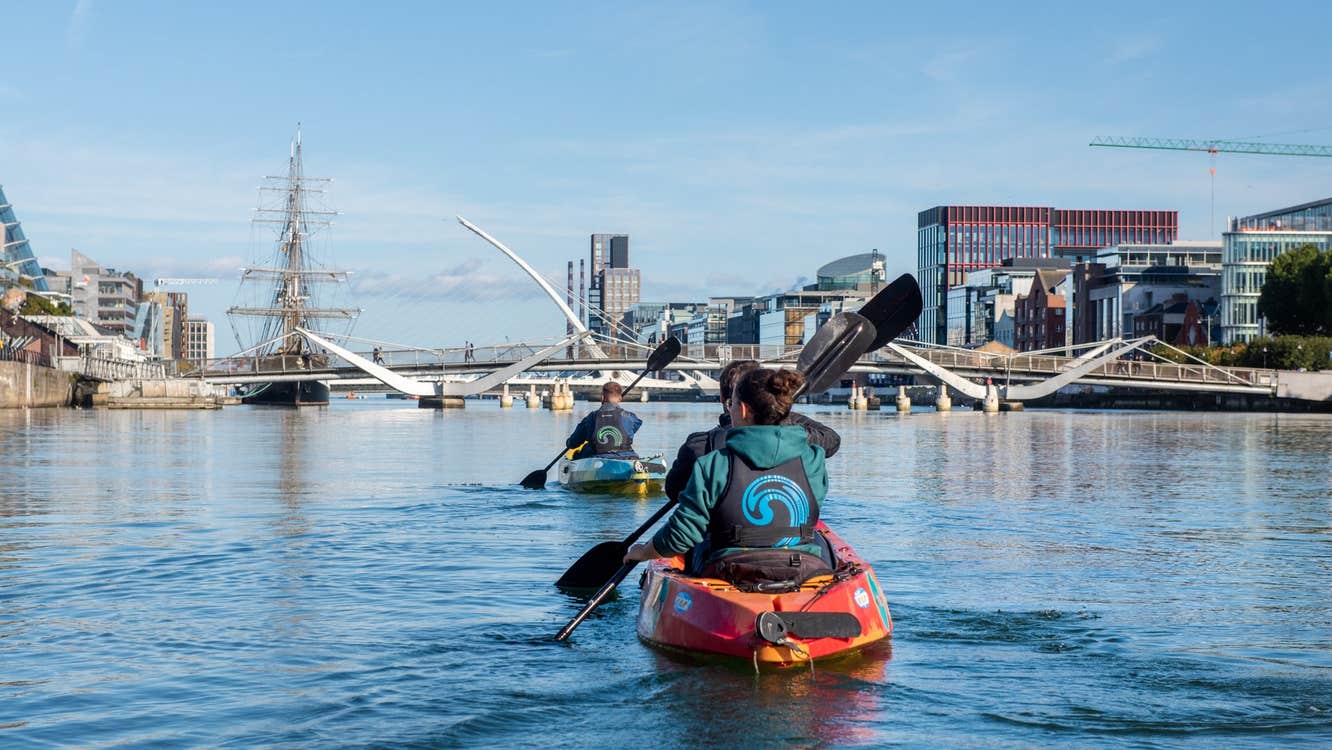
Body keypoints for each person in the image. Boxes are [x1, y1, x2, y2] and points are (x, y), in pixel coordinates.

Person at [625, 367, 832, 588]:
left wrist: (644, 551)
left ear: (742, 410)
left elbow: (681, 536)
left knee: (702, 542)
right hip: (803, 569)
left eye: (731, 404)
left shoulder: (713, 464)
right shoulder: (813, 459)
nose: (729, 409)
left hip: (729, 571)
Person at [663, 359, 839, 503]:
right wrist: (787, 434)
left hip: (727, 539)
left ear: (724, 399)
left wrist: (784, 429)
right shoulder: (809, 451)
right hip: (791, 538)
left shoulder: (700, 446)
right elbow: (830, 442)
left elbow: (674, 492)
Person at [565, 381, 643, 460]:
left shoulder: (591, 418)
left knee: (584, 449)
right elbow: (634, 427)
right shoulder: (631, 417)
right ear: (620, 398)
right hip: (627, 458)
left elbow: (572, 443)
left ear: (602, 397)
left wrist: (569, 443)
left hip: (599, 459)